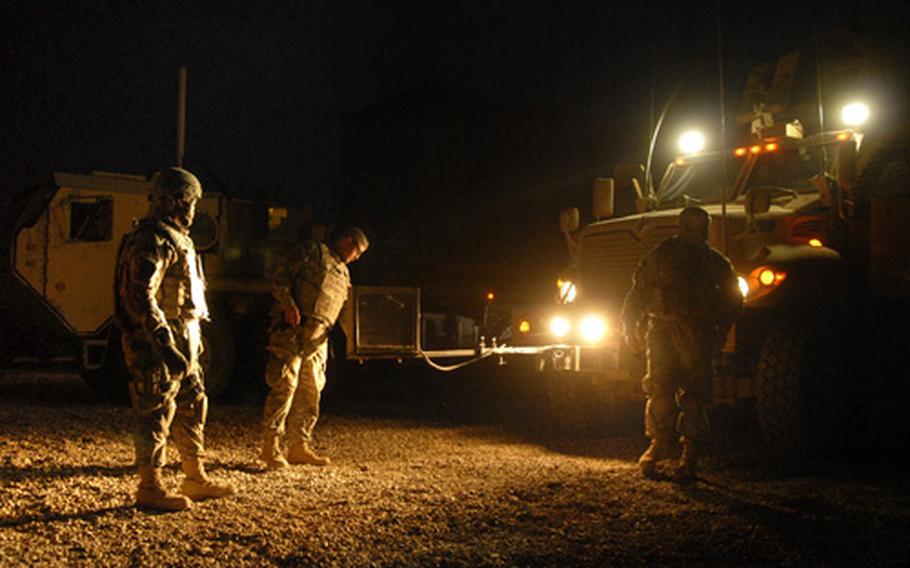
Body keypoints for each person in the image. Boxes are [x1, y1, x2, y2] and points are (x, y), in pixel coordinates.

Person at [114, 166, 237, 511]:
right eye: (191, 200)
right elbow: (140, 295)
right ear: (177, 200)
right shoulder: (151, 239)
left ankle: (194, 476)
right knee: (155, 409)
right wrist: (163, 343)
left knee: (193, 403)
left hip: (186, 338)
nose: (194, 208)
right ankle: (149, 486)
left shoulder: (177, 238)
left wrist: (191, 343)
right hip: (157, 344)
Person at [620, 206, 742, 481]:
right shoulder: (660, 257)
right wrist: (629, 326)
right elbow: (637, 294)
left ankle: (690, 453)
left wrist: (720, 330)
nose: (701, 230)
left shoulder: (715, 263)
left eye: (704, 226)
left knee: (694, 395)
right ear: (684, 226)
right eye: (696, 225)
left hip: (697, 332)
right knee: (660, 389)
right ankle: (660, 443)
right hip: (662, 328)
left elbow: (734, 300)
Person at [260, 227, 369, 469]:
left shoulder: (343, 274)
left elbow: (342, 313)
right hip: (293, 331)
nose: (357, 257)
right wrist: (288, 304)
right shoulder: (314, 251)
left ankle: (299, 446)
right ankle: (271, 448)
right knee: (285, 388)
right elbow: (280, 274)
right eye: (357, 250)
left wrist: (356, 343)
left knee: (310, 393)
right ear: (347, 240)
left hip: (318, 340)